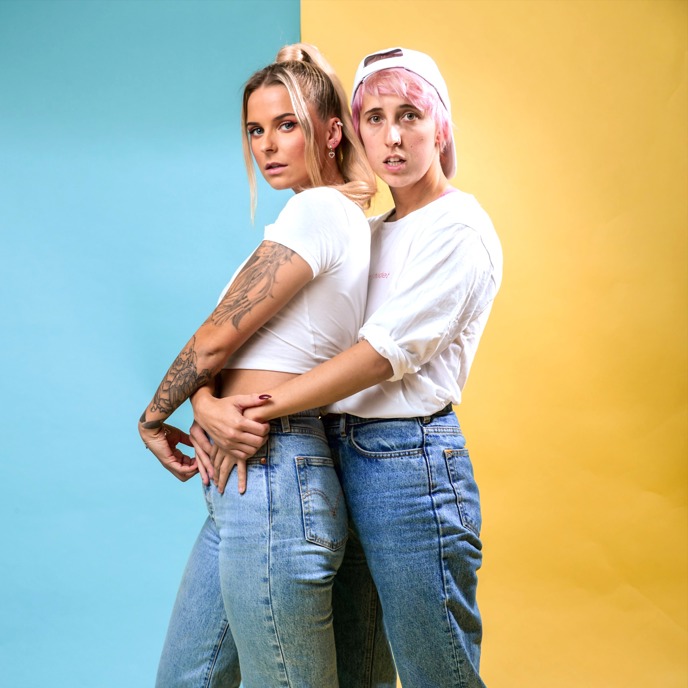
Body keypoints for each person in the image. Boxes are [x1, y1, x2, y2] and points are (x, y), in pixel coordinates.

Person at [192, 47, 503, 688]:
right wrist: (207, 402)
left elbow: (380, 356)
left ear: (441, 126)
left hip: (407, 466)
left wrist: (255, 411)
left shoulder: (459, 228)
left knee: (435, 672)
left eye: (411, 115)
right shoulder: (370, 226)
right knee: (359, 674)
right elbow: (339, 153)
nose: (392, 137)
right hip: (333, 455)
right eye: (375, 118)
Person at [138, 43, 377, 687]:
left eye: (286, 124)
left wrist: (153, 417)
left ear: (331, 132)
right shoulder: (334, 215)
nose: (266, 145)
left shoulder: (318, 211)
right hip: (246, 479)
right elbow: (238, 350)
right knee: (186, 678)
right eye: (254, 129)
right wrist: (203, 403)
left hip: (271, 471)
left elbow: (217, 342)